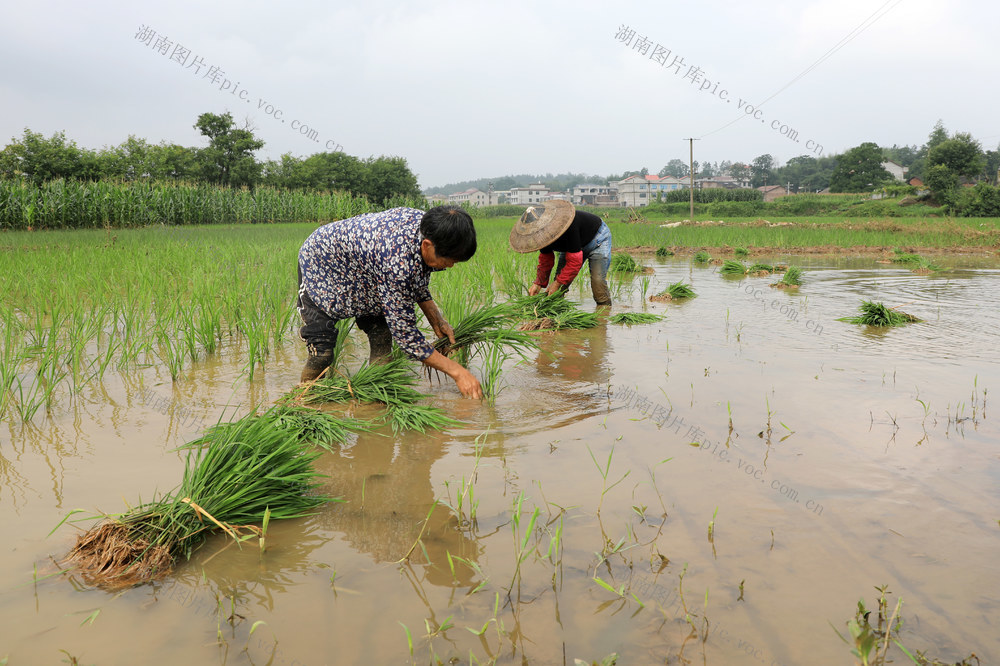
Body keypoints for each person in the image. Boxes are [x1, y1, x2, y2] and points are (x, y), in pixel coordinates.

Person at [296, 206, 482, 398]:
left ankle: (376, 399)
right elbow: (408, 339)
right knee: (321, 353)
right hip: (322, 264)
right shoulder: (397, 262)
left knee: (382, 339)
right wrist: (459, 373)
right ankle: (306, 400)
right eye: (449, 260)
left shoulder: (430, 227)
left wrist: (437, 320)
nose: (450, 266)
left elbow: (416, 279)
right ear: (427, 245)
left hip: (368, 268)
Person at [508, 200, 612, 306]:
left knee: (598, 283)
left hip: (597, 238)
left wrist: (557, 283)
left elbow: (575, 262)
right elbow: (546, 260)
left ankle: (604, 313)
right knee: (558, 289)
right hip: (573, 248)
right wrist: (538, 283)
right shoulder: (542, 235)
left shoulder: (568, 225)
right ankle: (554, 316)